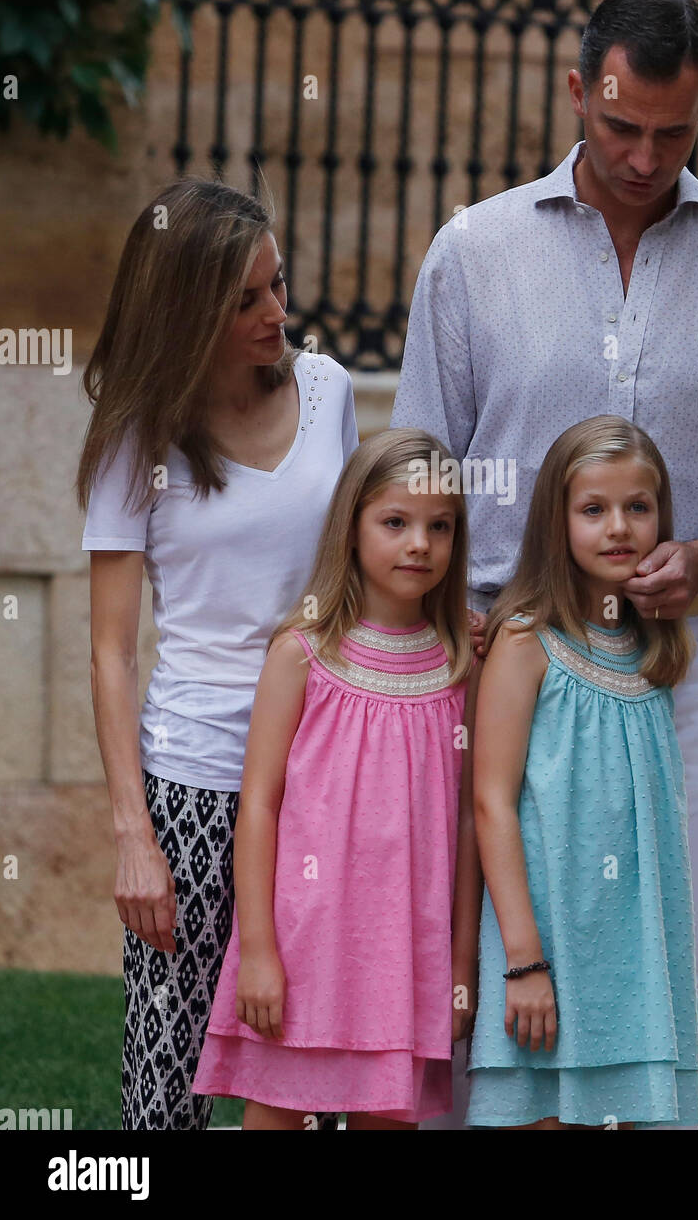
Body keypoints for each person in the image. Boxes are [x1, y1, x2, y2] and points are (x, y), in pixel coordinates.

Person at [391, 0, 698, 1086]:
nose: (643, 156)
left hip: (677, 662)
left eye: (671, 132)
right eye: (618, 126)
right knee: (486, 959)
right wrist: (450, 631)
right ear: (576, 91)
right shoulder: (473, 249)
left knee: (664, 952)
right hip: (503, 658)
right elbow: (419, 466)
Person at [77, 176, 360, 1129]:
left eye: (278, 284)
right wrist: (133, 837)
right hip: (195, 779)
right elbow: (112, 653)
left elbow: (357, 574)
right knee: (167, 1077)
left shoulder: (328, 392)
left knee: (310, 1068)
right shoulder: (137, 433)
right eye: (245, 299)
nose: (277, 312)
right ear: (188, 309)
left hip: (320, 771)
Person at [192, 429, 483, 1129]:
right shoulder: (302, 654)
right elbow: (257, 806)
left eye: (439, 527)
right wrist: (258, 950)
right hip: (301, 948)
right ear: (350, 528)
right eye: (395, 522)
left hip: (405, 961)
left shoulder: (461, 666)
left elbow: (471, 819)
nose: (419, 544)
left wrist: (463, 964)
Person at [467, 416, 698, 1130]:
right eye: (593, 509)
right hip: (548, 948)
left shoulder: (654, 650)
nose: (619, 527)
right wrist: (524, 963)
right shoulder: (525, 640)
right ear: (558, 520)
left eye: (638, 507)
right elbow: (491, 802)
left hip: (637, 958)